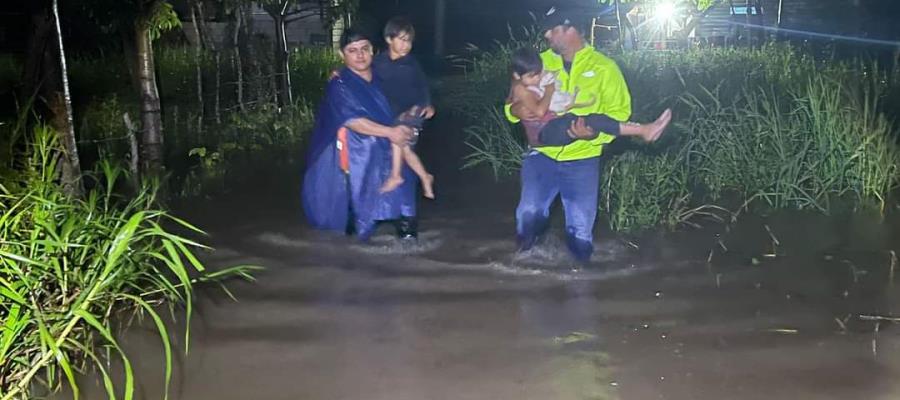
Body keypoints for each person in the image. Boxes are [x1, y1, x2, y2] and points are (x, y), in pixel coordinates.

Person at [505, 6, 665, 264]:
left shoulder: (606, 68)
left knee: (580, 233)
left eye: (552, 28)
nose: (546, 34)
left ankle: (581, 286)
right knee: (528, 215)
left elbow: (619, 113)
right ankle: (519, 274)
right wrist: (517, 110)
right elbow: (511, 104)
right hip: (541, 156)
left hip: (583, 160)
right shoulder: (539, 62)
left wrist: (591, 137)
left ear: (569, 29)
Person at [302, 29, 415, 240]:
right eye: (352, 50)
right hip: (355, 158)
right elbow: (352, 120)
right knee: (356, 225)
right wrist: (391, 132)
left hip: (394, 152)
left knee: (404, 210)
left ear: (373, 51)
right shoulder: (340, 85)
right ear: (342, 55)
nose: (360, 55)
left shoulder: (386, 77)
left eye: (364, 49)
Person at [507, 47, 671, 147]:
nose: (537, 79)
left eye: (538, 74)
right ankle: (644, 130)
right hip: (544, 133)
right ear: (516, 75)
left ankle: (643, 129)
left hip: (555, 126)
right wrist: (549, 90)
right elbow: (540, 111)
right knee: (591, 120)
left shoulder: (529, 82)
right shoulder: (521, 89)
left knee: (594, 119)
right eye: (532, 76)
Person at [372, 16, 436, 238]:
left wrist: (427, 104)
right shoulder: (378, 63)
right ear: (389, 39)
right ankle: (425, 176)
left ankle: (396, 175)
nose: (406, 45)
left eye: (409, 41)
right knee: (405, 149)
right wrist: (338, 74)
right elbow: (359, 75)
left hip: (412, 112)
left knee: (398, 135)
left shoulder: (412, 64)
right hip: (392, 115)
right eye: (402, 40)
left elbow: (422, 85)